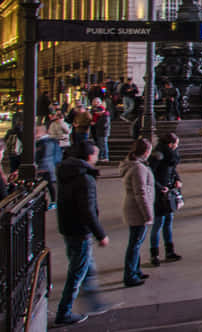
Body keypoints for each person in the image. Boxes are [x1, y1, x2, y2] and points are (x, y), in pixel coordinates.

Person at [54, 141, 111, 327]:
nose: (97, 158)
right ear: (89, 156)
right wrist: (100, 234)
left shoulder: (67, 172)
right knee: (78, 271)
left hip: (68, 226)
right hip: (80, 230)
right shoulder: (85, 179)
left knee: (85, 266)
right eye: (96, 154)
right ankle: (64, 312)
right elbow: (88, 210)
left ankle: (93, 301)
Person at [120, 138, 154, 287]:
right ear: (146, 152)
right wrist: (148, 214)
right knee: (134, 243)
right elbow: (140, 193)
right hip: (137, 210)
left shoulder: (132, 164)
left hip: (133, 208)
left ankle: (136, 269)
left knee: (137, 242)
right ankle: (130, 275)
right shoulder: (138, 168)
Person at [148, 133, 182, 266]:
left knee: (168, 221)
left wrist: (178, 180)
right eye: (176, 143)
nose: (177, 146)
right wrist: (160, 187)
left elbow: (173, 170)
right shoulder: (158, 156)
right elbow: (150, 175)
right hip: (160, 194)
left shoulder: (171, 155)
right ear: (170, 144)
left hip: (169, 192)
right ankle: (154, 254)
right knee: (158, 224)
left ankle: (169, 251)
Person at [36, 126, 63, 209]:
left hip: (44, 167)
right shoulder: (52, 141)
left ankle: (47, 202)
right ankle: (52, 202)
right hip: (50, 166)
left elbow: (41, 156)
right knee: (49, 185)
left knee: (43, 185)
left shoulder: (43, 143)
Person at [90, 97, 110, 161]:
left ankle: (104, 157)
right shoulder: (98, 114)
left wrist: (95, 123)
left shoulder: (104, 116)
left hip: (102, 131)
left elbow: (104, 124)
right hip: (98, 130)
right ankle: (102, 157)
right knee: (100, 144)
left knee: (103, 144)